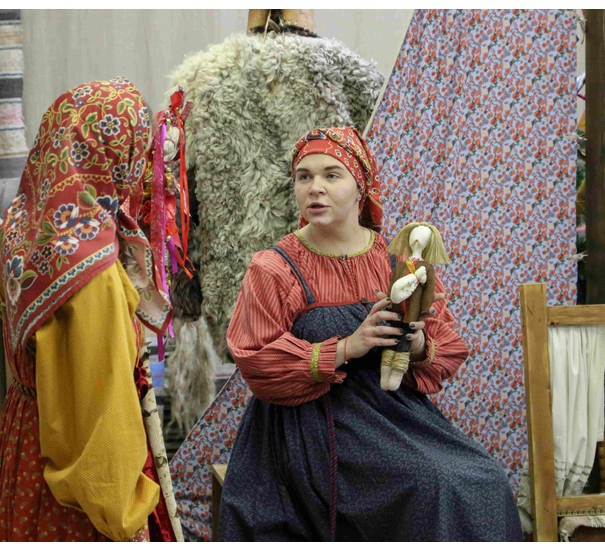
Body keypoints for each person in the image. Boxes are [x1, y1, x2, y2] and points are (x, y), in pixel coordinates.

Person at [219, 126, 522, 541]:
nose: (315, 188)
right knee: (431, 483)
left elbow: (446, 346)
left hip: (394, 415)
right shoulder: (273, 268)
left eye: (331, 175)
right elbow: (256, 360)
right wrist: (349, 346)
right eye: (304, 177)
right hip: (312, 426)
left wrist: (417, 342)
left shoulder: (395, 261)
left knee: (484, 479)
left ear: (360, 186)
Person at [0, 78, 177, 542]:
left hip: (24, 445)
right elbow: (99, 415)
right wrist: (126, 515)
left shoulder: (21, 226)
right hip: (70, 483)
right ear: (116, 155)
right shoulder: (91, 271)